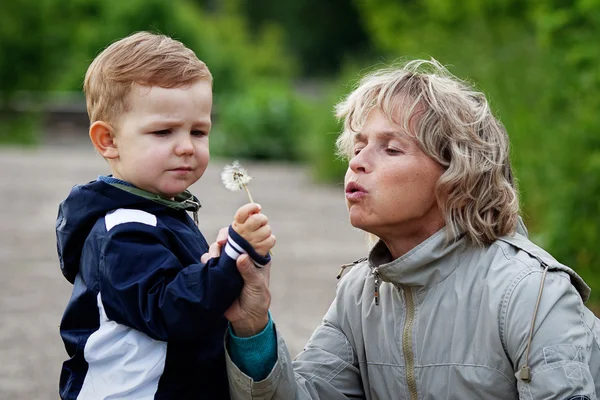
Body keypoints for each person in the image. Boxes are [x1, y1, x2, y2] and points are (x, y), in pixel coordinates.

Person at [219, 59, 600, 398]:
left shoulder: (530, 293)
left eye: (391, 149)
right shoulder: (359, 294)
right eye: (358, 146)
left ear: (457, 175)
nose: (358, 163)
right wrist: (252, 325)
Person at [55, 31, 275, 400]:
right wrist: (232, 257)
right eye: (163, 131)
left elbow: (187, 289)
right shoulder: (120, 231)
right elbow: (171, 310)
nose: (187, 146)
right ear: (108, 141)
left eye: (199, 131)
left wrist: (226, 265)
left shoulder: (162, 212)